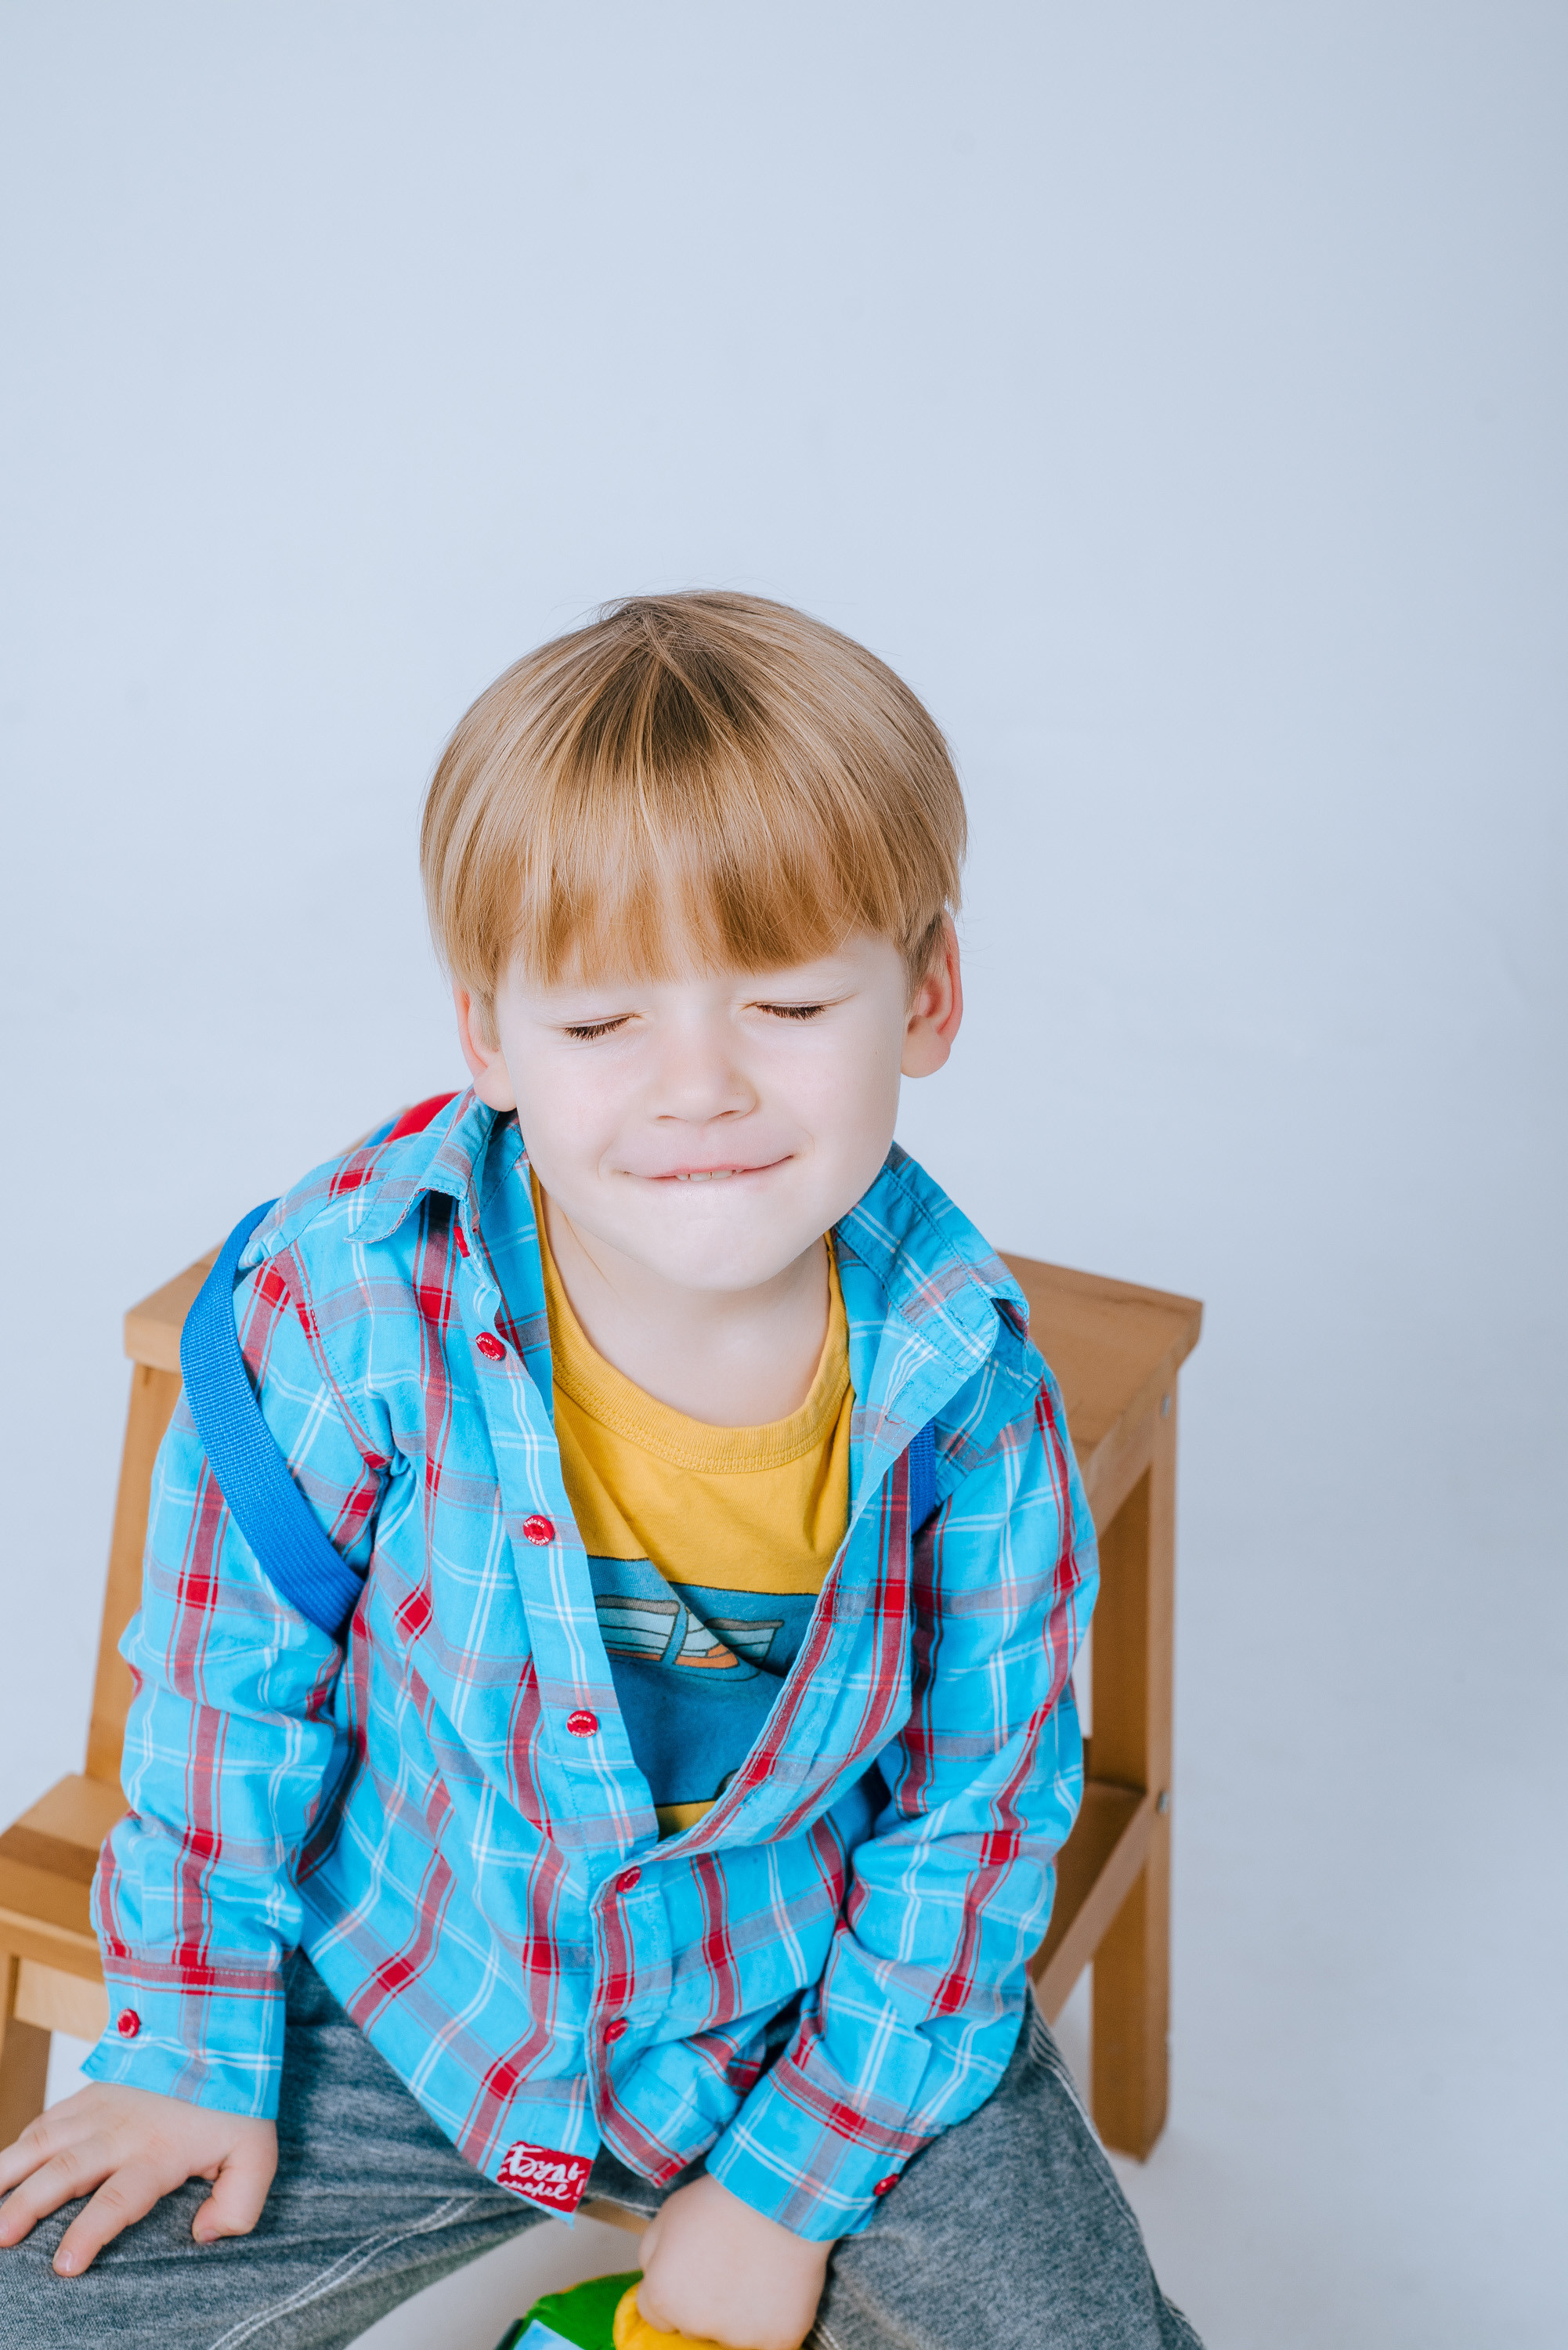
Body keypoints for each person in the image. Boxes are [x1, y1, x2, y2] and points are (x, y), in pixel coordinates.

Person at [0, 594, 1201, 2349]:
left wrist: (792, 2180)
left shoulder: (963, 1396)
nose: (698, 1087)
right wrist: (190, 2043)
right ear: (486, 1038)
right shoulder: (351, 1297)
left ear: (925, 994)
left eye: (787, 1000)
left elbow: (973, 1819)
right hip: (426, 1989)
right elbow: (227, 1689)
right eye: (598, 1028)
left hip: (807, 2004)